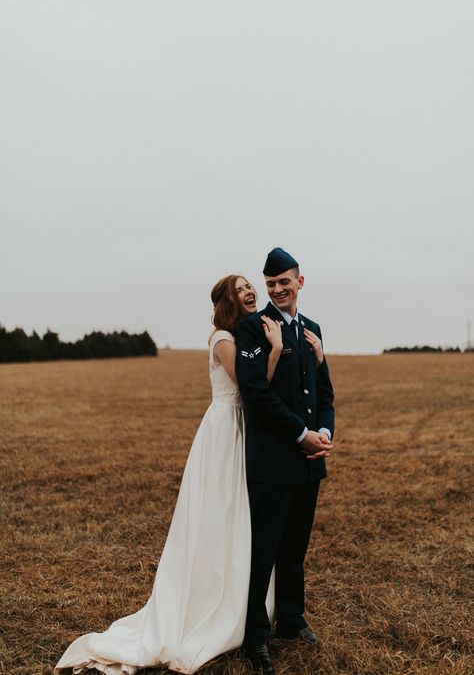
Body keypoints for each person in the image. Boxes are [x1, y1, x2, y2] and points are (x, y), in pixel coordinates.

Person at [54, 273, 324, 675]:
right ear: (228, 301)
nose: (250, 292)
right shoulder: (224, 339)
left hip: (249, 434)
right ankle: (213, 604)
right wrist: (276, 351)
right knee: (219, 516)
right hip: (226, 432)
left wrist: (309, 357)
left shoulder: (251, 333)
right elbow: (252, 390)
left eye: (252, 286)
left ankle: (254, 607)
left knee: (244, 522)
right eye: (241, 289)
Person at [236, 247, 335, 675]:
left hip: (310, 462)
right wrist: (301, 434)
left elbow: (324, 392)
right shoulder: (252, 329)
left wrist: (325, 433)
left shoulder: (312, 329)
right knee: (264, 551)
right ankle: (255, 636)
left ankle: (291, 621)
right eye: (270, 284)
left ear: (300, 281)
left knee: (295, 549)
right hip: (273, 462)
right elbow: (256, 395)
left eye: (284, 282)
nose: (277, 290)